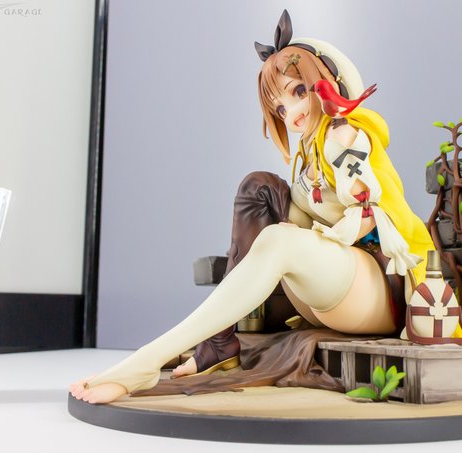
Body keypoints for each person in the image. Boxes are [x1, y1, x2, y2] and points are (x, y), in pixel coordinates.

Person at [70, 10, 434, 404]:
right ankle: (218, 344)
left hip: (381, 285)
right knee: (258, 186)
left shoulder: (343, 136)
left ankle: (144, 363)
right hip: (334, 287)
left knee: (280, 239)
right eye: (280, 109)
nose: (292, 114)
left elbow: (366, 216)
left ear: (327, 82)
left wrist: (311, 236)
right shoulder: (308, 154)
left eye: (298, 92)